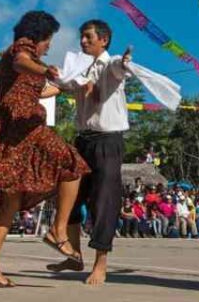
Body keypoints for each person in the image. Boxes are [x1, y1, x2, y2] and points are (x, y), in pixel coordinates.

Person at [0, 11, 89, 287]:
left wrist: (66, 86)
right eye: (49, 39)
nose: (49, 46)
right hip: (22, 127)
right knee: (74, 165)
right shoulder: (21, 48)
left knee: (11, 197)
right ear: (39, 35)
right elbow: (22, 62)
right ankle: (58, 232)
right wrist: (44, 70)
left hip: (15, 128)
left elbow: (38, 90)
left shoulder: (32, 62)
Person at [46, 19, 132, 285]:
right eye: (81, 37)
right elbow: (59, 86)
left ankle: (100, 264)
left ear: (103, 40)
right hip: (82, 141)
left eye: (88, 37)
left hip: (108, 142)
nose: (82, 42)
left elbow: (120, 69)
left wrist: (125, 61)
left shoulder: (111, 64)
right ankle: (74, 255)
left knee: (103, 202)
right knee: (68, 197)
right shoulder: (78, 68)